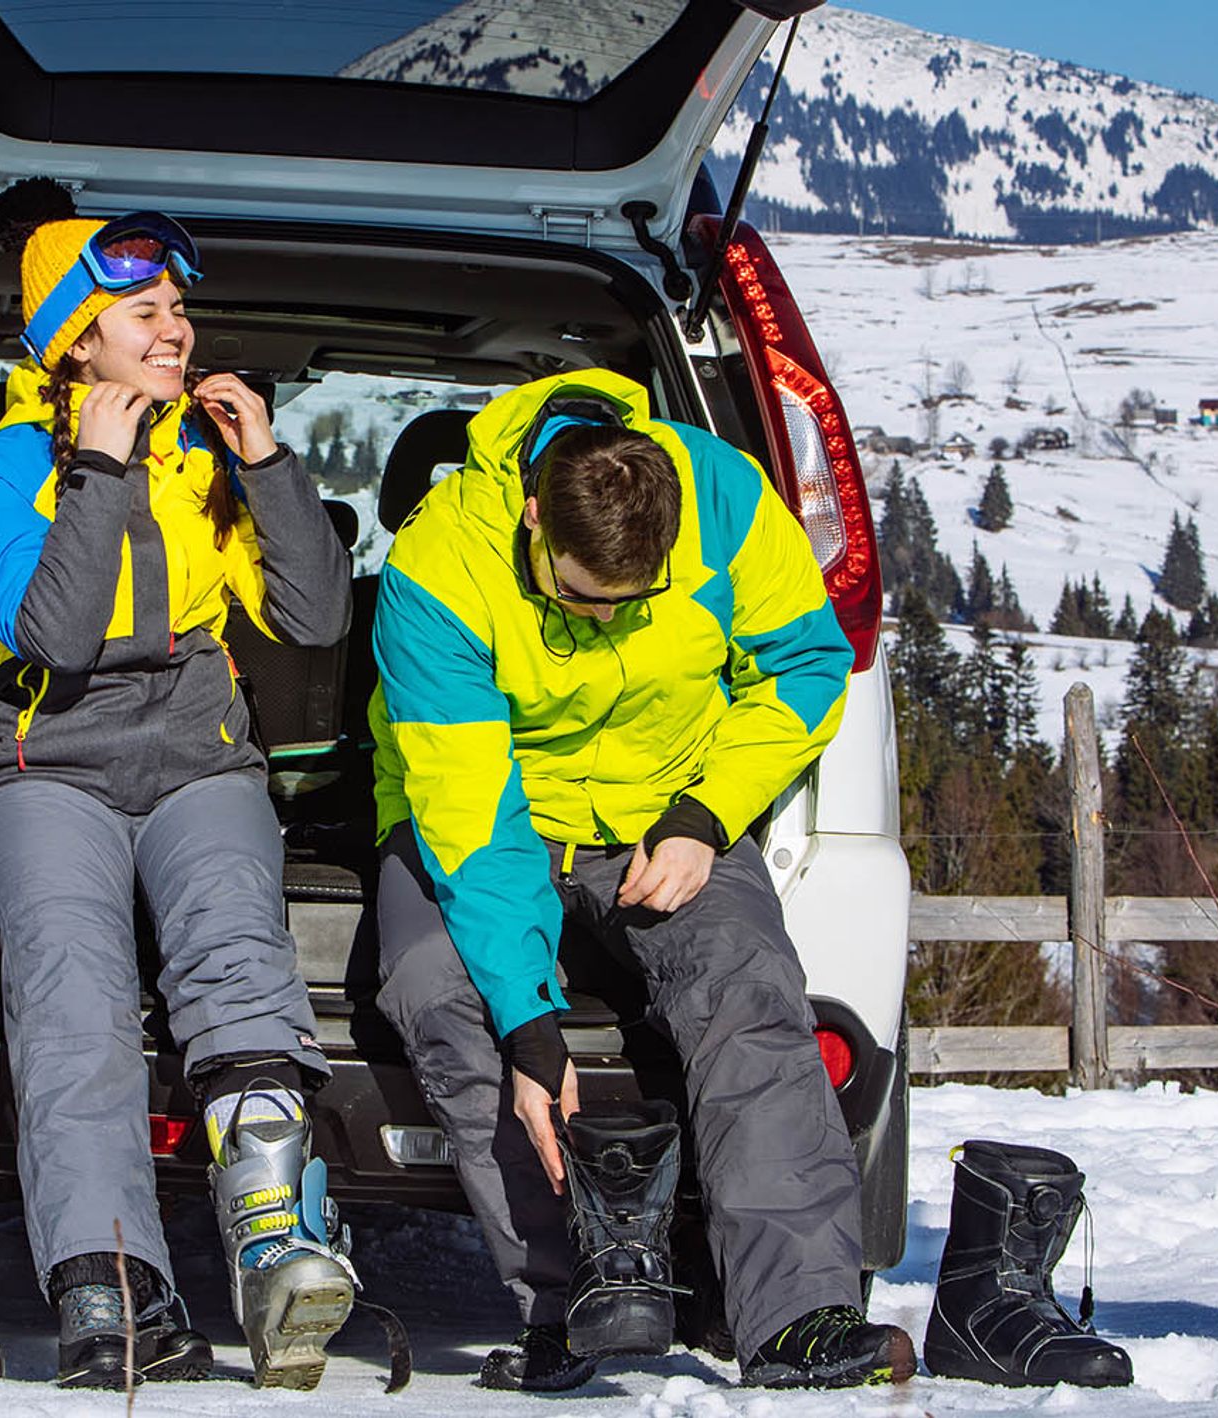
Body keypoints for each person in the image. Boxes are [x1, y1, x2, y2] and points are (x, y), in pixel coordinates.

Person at [368, 368, 913, 1390]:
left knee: (749, 984)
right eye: (579, 595)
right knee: (446, 992)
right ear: (535, 516)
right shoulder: (439, 567)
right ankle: (568, 1303)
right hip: (496, 816)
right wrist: (532, 1021)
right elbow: (474, 818)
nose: (606, 620)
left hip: (666, 815)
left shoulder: (727, 500)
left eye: (635, 603)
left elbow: (803, 662)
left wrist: (708, 814)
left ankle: (797, 1314)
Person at [0, 185, 359, 1390]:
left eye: (180, 307)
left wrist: (267, 464)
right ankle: (109, 1285)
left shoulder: (215, 455)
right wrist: (101, 467)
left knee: (236, 953)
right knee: (73, 991)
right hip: (45, 754)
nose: (175, 328)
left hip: (198, 741)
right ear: (74, 337)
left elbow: (318, 613)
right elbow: (52, 632)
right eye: (142, 310)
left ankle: (277, 1243)